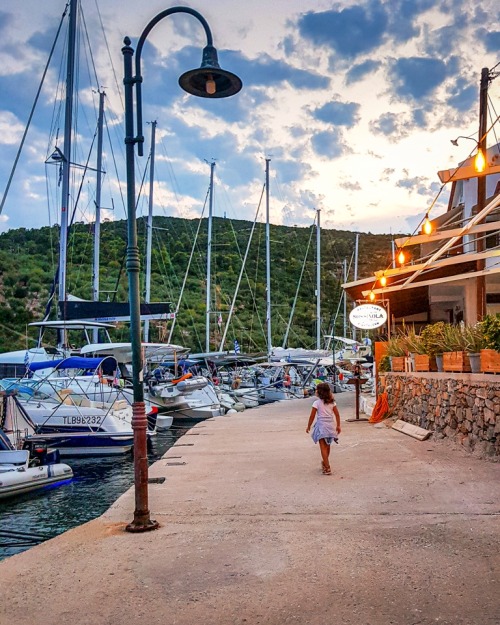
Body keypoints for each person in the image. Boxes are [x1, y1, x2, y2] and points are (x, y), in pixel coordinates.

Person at [306, 382, 341, 475]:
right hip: (330, 426)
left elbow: (312, 416)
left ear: (319, 392)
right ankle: (325, 463)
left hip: (322, 426)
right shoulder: (332, 402)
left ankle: (327, 467)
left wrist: (308, 426)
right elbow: (337, 414)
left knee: (323, 447)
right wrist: (338, 425)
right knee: (328, 446)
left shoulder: (316, 403)